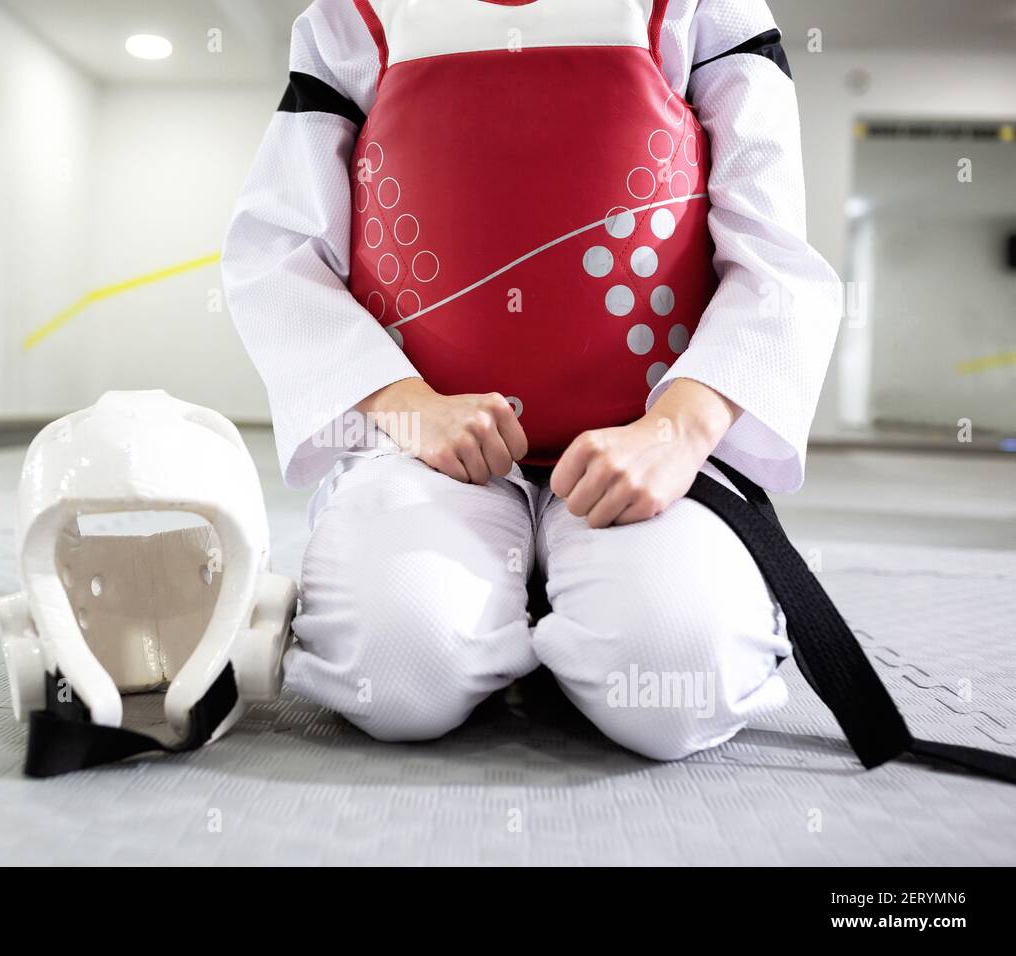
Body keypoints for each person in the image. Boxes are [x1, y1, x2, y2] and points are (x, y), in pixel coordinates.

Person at [221, 0, 841, 761]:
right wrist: (406, 408)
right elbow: (277, 252)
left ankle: (550, 599)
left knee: (676, 687)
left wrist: (677, 430)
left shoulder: (700, 8)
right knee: (399, 677)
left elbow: (776, 257)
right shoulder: (353, 17)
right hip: (428, 447)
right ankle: (535, 601)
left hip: (644, 444)